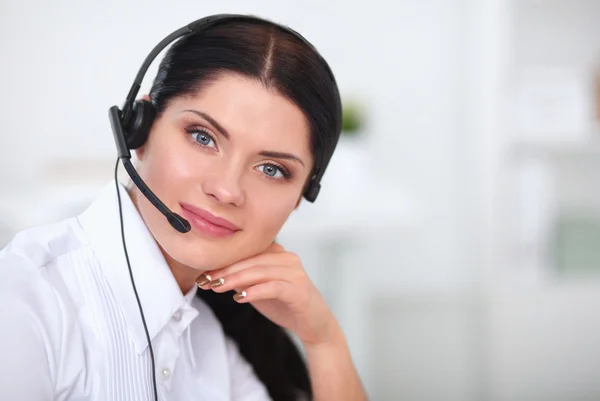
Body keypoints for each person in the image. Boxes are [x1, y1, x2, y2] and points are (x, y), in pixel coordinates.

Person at [0, 14, 368, 401]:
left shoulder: (210, 337)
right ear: (138, 130)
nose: (227, 190)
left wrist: (324, 340)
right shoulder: (25, 300)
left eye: (271, 169)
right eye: (202, 137)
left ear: (299, 199)